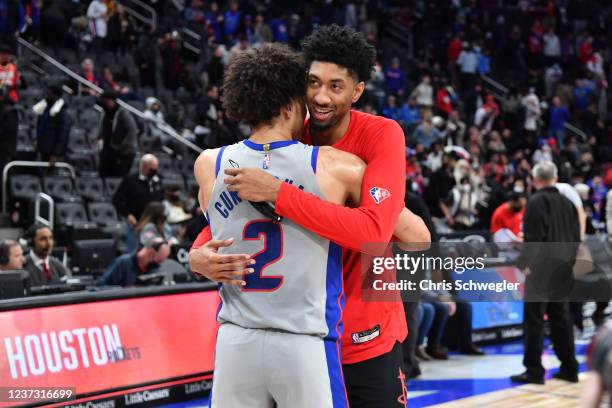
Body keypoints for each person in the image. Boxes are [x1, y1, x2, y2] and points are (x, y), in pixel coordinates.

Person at [190, 25, 424, 407]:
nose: (319, 96)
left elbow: (386, 233)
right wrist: (198, 253)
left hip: (364, 331)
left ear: (357, 91)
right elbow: (234, 214)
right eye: (313, 83)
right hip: (304, 332)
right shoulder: (293, 135)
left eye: (335, 86)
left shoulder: (380, 135)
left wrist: (281, 194)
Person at [511, 161, 580, 384]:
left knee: (535, 320)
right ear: (555, 176)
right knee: (561, 318)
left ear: (535, 179)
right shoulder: (568, 203)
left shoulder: (536, 201)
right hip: (563, 267)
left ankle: (534, 370)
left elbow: (534, 239)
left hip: (541, 269)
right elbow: (576, 239)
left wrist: (523, 264)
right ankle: (569, 367)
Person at [112, 154, 164, 253]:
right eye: (152, 169)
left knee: (153, 252)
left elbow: (161, 198)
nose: (155, 172)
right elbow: (116, 199)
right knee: (134, 252)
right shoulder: (130, 180)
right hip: (136, 223)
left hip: (154, 224)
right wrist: (127, 215)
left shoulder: (157, 180)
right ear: (144, 166)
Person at [98, 236, 170, 287]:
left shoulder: (153, 268)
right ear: (151, 252)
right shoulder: (122, 262)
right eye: (159, 261)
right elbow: (102, 284)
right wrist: (124, 291)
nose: (159, 265)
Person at [97, 90, 138, 177]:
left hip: (124, 152)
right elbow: (102, 130)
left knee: (119, 176)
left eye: (106, 101)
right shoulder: (104, 113)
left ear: (112, 100)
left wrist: (121, 147)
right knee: (103, 173)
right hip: (108, 151)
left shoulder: (123, 113)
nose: (104, 103)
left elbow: (132, 131)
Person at [32, 82, 72, 163]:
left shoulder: (62, 113)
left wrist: (56, 154)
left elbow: (63, 135)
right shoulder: (45, 109)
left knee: (52, 174)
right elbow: (41, 128)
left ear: (55, 95)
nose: (47, 96)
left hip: (53, 154)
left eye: (49, 93)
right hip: (43, 150)